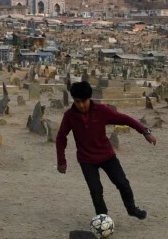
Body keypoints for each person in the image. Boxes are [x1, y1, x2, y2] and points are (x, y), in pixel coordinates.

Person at [56, 81, 157, 220]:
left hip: (107, 156)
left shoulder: (101, 110)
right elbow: (61, 137)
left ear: (89, 98)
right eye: (77, 101)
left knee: (122, 183)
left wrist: (145, 131)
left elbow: (124, 119)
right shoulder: (69, 116)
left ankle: (132, 209)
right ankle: (102, 219)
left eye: (83, 101)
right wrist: (61, 161)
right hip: (86, 160)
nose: (80, 105)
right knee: (96, 191)